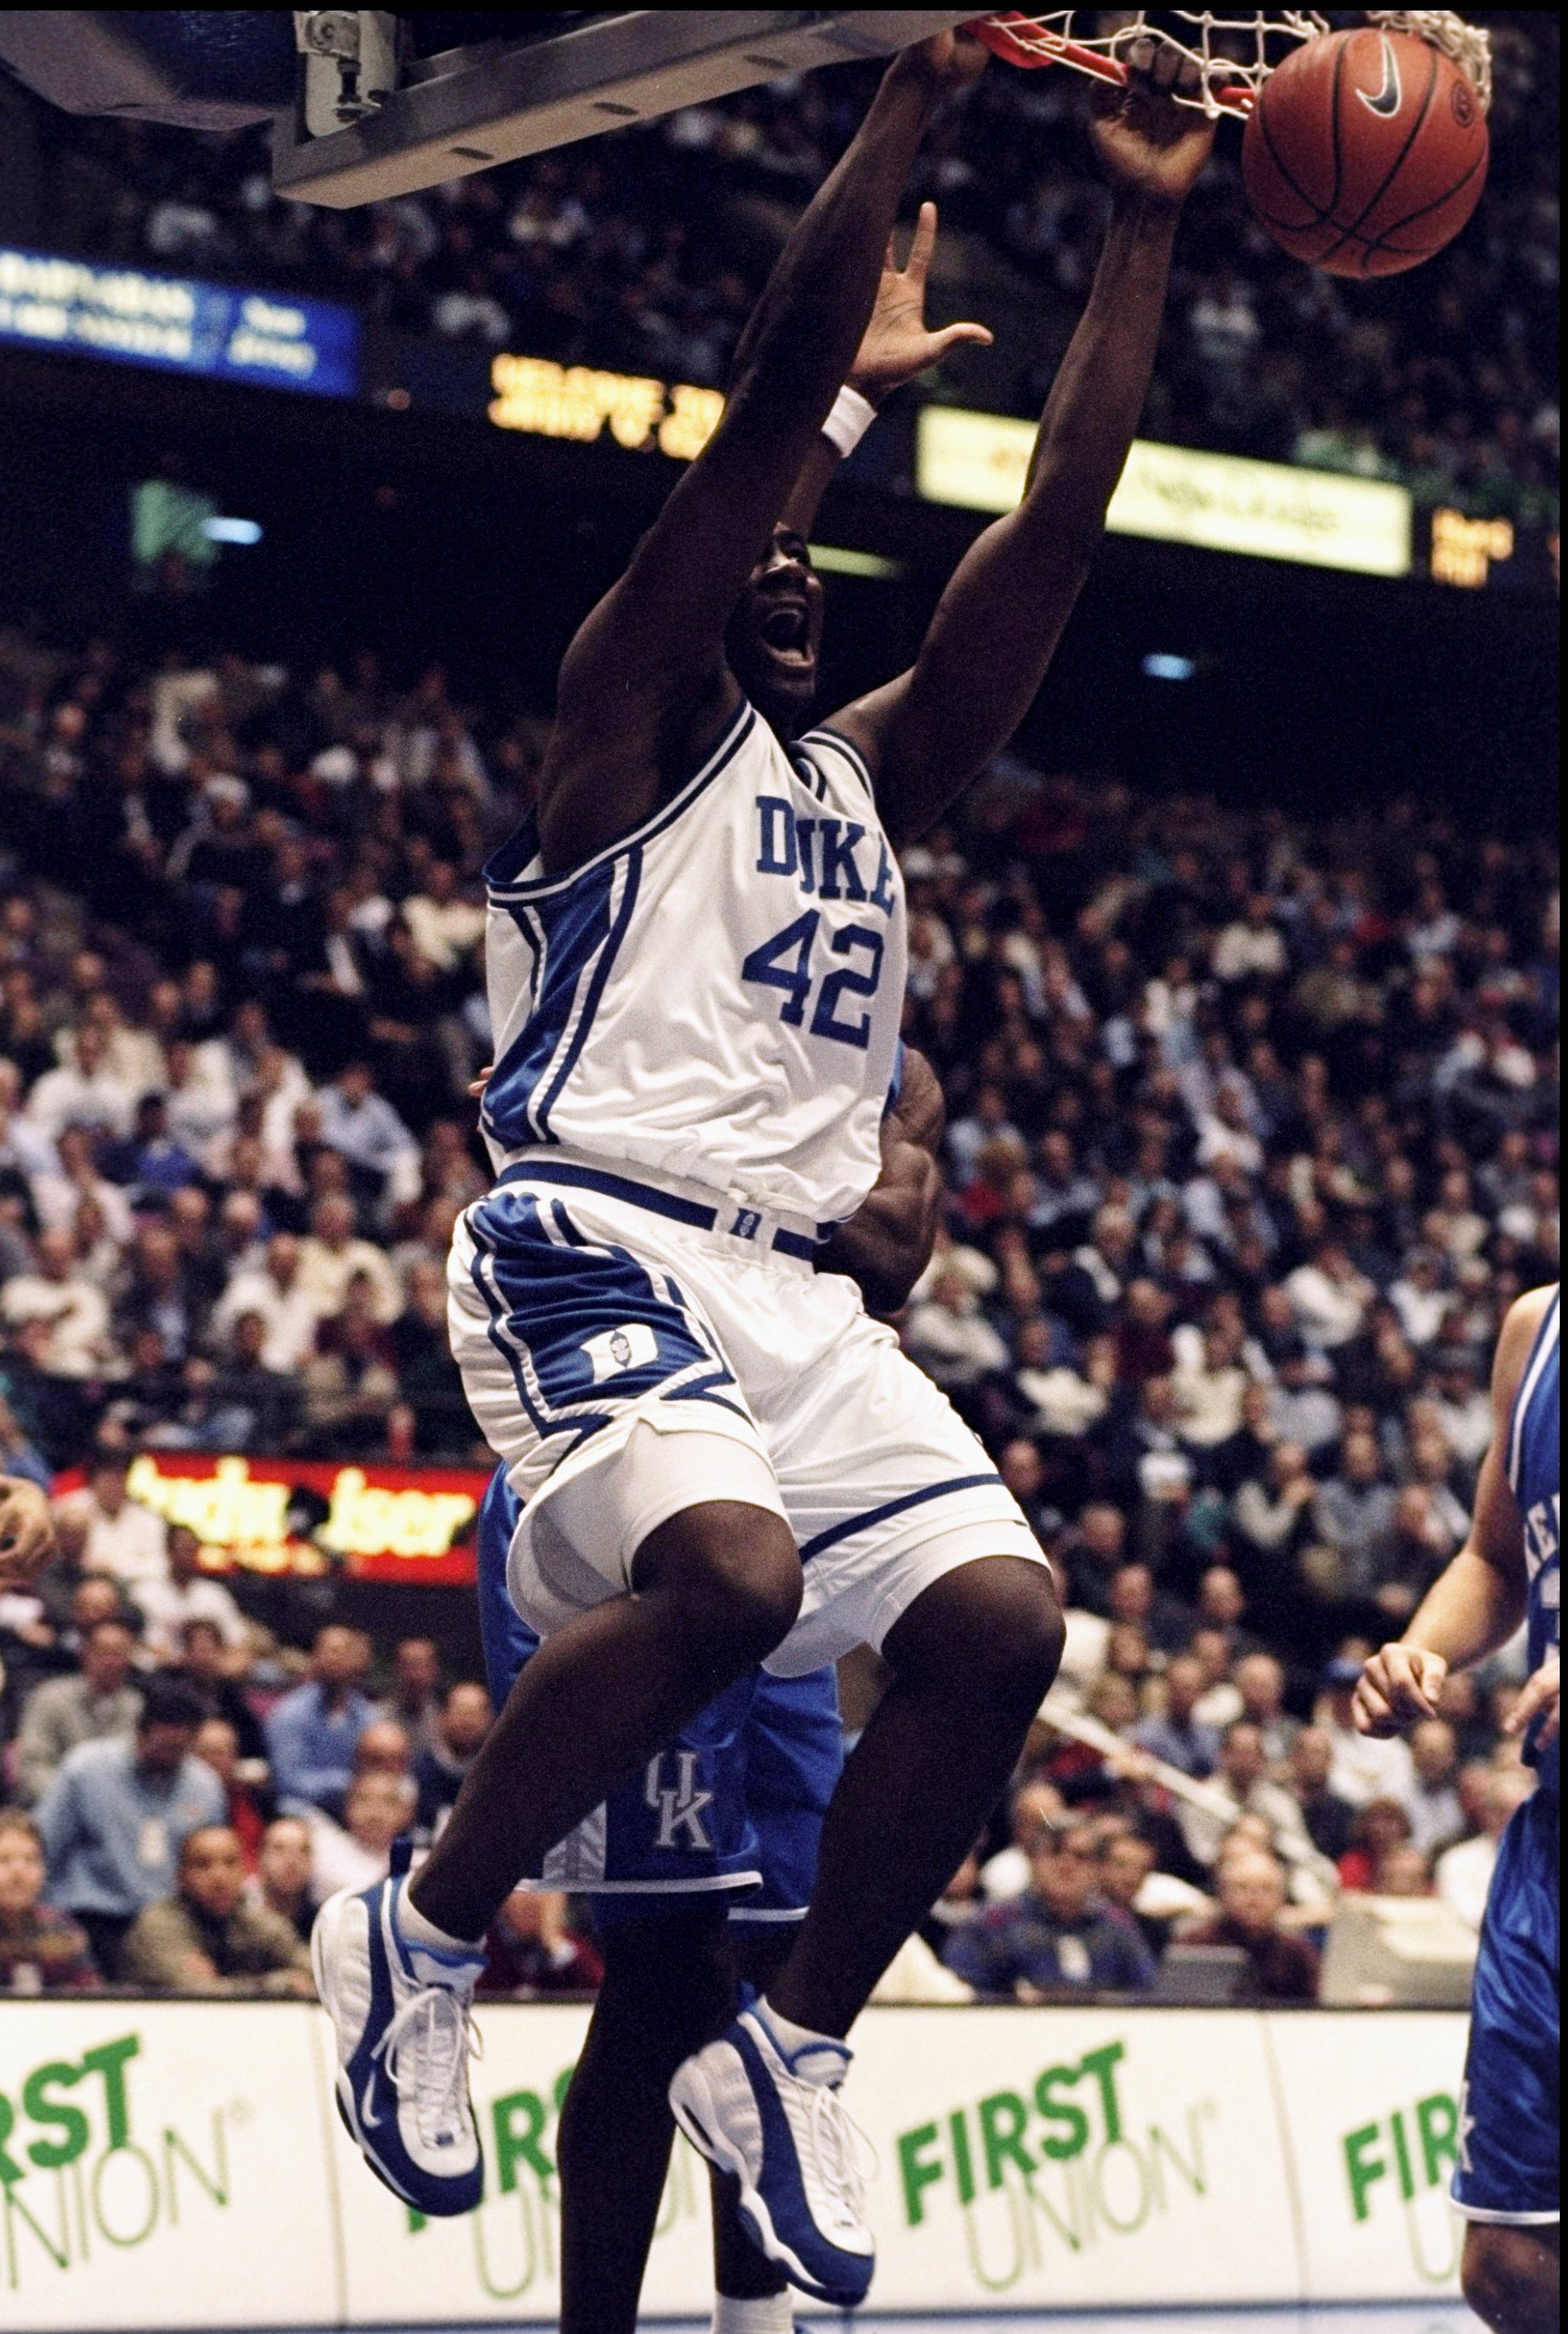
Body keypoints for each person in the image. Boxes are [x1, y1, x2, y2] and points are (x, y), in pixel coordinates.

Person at [313, 32, 1213, 2319]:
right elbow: (744, 446)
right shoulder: (618, 724)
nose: (799, 587)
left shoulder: (863, 778)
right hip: (588, 1229)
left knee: (1007, 1625)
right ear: (712, 579)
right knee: (721, 1575)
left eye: (820, 571)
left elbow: (1056, 530)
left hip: (797, 1301)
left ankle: (796, 2043)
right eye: (773, 562)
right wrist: (902, 115)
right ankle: (415, 1935)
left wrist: (1139, 221)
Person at [1353, 1284, 1559, 2334]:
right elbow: (1494, 1559)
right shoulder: (1536, 1330)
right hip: (1553, 1843)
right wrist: (1424, 1651)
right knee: (1511, 2266)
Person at [34, 1678, 225, 1975]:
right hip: (91, 1915)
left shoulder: (205, 1787)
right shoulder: (86, 1769)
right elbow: (44, 1847)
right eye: (164, 1745)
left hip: (168, 1923)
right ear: (141, 1732)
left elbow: (210, 1867)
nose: (170, 1756)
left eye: (181, 1748)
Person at [941, 1821, 1157, 1997]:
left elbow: (1145, 1997)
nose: (1066, 1865)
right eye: (1055, 1852)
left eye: (1080, 1856)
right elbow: (962, 1997)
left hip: (1102, 2045)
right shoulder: (990, 1924)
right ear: (1032, 1860)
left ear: (1095, 1868)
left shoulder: (1116, 1927)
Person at [121, 1823, 315, 1994]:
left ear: (244, 1871)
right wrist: (278, 1984)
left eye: (230, 1863)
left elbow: (316, 1972)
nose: (219, 1877)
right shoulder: (158, 1926)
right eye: (203, 1865)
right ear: (181, 1876)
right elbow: (200, 1993)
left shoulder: (254, 1922)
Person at [14, 1615, 142, 1804]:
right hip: (56, 1805)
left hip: (118, 1809)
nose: (111, 1662)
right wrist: (73, 1802)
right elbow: (34, 1764)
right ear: (86, 1653)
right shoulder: (51, 1698)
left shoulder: (138, 1706)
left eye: (119, 1653)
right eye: (104, 1652)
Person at [264, 1623, 375, 1816]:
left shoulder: (367, 1714)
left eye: (344, 1652)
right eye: (331, 1651)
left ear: (356, 1659)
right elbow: (289, 1782)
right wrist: (349, 1783)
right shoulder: (290, 1713)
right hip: (306, 1810)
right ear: (315, 1657)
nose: (336, 1659)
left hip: (356, 1810)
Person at [1184, 1845, 1319, 2001]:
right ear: (1222, 1893)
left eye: (1266, 1890)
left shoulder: (1297, 1954)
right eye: (1242, 1888)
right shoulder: (1194, 1946)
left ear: (1282, 1898)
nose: (1254, 1900)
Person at [0, 1807, 100, 1991]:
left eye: (31, 1860)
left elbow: (89, 1999)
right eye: (4, 1860)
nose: (18, 1873)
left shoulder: (62, 1929)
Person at [254, 1813, 315, 1940]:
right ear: (261, 1858)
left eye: (303, 1851)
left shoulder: (322, 1919)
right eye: (279, 1849)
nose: (291, 1862)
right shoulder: (241, 1916)